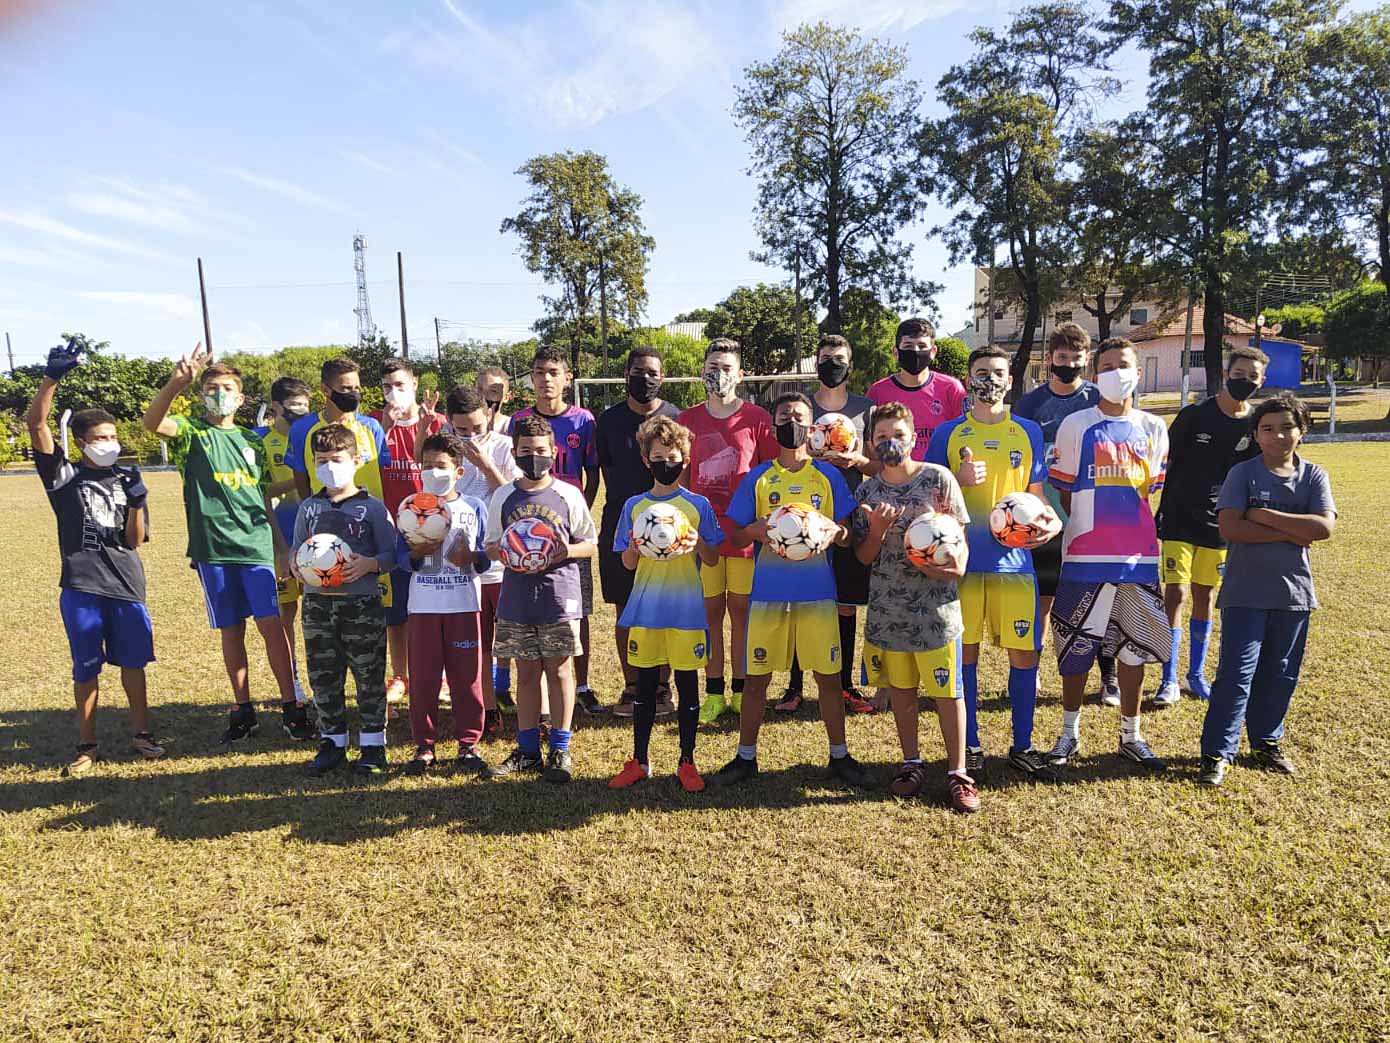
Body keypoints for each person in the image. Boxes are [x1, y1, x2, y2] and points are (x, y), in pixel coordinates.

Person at [143, 345, 309, 744]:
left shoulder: (251, 441)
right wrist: (175, 383)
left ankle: (292, 707)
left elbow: (260, 496)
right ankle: (243, 709)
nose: (220, 393)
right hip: (213, 551)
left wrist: (281, 546)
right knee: (231, 631)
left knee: (273, 627)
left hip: (255, 548)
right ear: (202, 394)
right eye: (212, 387)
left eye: (227, 387)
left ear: (241, 396)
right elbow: (153, 423)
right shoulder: (191, 433)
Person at [711, 391, 871, 789]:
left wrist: (837, 532)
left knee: (828, 679)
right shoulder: (761, 476)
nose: (792, 422)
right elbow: (734, 530)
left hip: (817, 594)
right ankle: (745, 757)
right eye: (784, 416)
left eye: (799, 416)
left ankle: (840, 756)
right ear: (773, 424)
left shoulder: (828, 476)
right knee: (757, 679)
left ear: (812, 425)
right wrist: (755, 531)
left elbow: (849, 535)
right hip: (767, 594)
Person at [925, 347, 1059, 782]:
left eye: (998, 373)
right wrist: (958, 484)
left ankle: (1022, 745)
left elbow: (1035, 496)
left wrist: (1050, 524)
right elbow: (927, 500)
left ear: (1011, 379)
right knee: (966, 656)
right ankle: (972, 745)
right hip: (961, 566)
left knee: (1024, 654)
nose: (990, 380)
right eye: (981, 373)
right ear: (968, 379)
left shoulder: (1028, 432)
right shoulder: (949, 433)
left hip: (1015, 566)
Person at [28, 342, 162, 775]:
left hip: (126, 583)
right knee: (86, 667)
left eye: (112, 437)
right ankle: (87, 742)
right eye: (100, 439)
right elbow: (37, 425)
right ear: (82, 444)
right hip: (82, 587)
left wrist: (139, 502)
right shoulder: (65, 477)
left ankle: (142, 733)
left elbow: (135, 540)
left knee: (133, 664)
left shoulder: (127, 478)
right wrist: (51, 379)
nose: (108, 444)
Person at [1044, 337, 1171, 771]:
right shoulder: (1076, 424)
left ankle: (1131, 735)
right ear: (1096, 375)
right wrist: (1076, 526)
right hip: (1083, 559)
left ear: (1138, 371)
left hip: (1138, 559)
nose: (1117, 372)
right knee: (1075, 649)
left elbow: (1150, 489)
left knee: (1134, 651)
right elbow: (1059, 488)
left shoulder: (1154, 428)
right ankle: (1068, 734)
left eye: (1124, 364)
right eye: (1108, 366)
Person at [1197, 394, 1335, 786]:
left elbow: (1323, 529)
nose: (1278, 436)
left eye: (1288, 427)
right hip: (1244, 592)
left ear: (1302, 432)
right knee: (1236, 675)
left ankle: (1265, 742)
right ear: (1256, 435)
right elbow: (1231, 528)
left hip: (1293, 594)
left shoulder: (1313, 476)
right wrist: (1294, 529)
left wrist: (1264, 515)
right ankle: (1215, 753)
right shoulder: (1243, 474)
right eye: (1268, 428)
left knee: (1280, 673)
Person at [852, 401, 978, 812]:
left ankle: (958, 773)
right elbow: (864, 557)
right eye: (882, 437)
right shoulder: (867, 490)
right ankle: (911, 763)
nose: (890, 444)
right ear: (871, 443)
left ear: (913, 436)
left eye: (898, 436)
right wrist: (878, 530)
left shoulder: (938, 479)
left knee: (947, 692)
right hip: (889, 611)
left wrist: (952, 568)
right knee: (902, 692)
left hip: (937, 612)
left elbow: (959, 544)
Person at [607, 416, 724, 792]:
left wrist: (696, 543)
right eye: (658, 457)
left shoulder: (697, 505)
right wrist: (637, 546)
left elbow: (712, 558)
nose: (666, 463)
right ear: (646, 461)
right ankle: (639, 759)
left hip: (686, 608)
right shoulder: (635, 507)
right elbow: (625, 562)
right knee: (644, 687)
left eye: (673, 456)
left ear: (686, 459)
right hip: (647, 608)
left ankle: (686, 761)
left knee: (688, 684)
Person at [485, 415, 598, 784]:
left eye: (540, 451)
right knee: (527, 672)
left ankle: (560, 749)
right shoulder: (503, 495)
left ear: (554, 452)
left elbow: (590, 544)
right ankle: (528, 749)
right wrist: (510, 553)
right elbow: (490, 544)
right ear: (514, 453)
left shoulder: (568, 494)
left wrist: (566, 550)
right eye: (525, 451)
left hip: (557, 598)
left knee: (560, 669)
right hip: (517, 599)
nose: (533, 456)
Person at [1153, 346, 1267, 707]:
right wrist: (1162, 511)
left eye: (1253, 377)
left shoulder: (1255, 423)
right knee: (1176, 594)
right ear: (1226, 373)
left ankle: (1195, 675)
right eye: (1239, 374)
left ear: (1262, 381)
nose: (1244, 381)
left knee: (1206, 594)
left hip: (1220, 524)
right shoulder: (1193, 416)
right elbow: (1165, 463)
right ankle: (1168, 678)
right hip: (1179, 519)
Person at [678, 339, 778, 724]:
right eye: (712, 366)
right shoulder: (688, 420)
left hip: (743, 536)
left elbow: (769, 473)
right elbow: (682, 476)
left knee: (742, 612)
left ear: (741, 374)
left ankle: (741, 689)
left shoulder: (756, 418)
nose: (717, 374)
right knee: (709, 613)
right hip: (704, 535)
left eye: (725, 367)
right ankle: (714, 691)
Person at [779, 334, 879, 716]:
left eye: (839, 358)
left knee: (846, 603)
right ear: (815, 363)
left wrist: (854, 461)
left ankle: (844, 685)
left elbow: (876, 464)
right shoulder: (801, 405)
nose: (831, 364)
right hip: (804, 513)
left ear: (850, 364)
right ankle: (793, 685)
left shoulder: (866, 408)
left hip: (848, 512)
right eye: (825, 358)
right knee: (800, 600)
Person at [290, 424, 397, 776]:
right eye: (322, 460)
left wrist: (370, 564)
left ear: (355, 460)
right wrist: (295, 563)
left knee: (368, 675)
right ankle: (333, 742)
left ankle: (372, 745)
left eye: (337, 459)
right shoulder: (308, 507)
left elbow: (391, 555)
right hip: (318, 605)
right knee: (324, 675)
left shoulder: (373, 508)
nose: (329, 466)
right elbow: (297, 550)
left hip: (361, 605)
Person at [1012, 323, 1111, 702]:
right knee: (1041, 600)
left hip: (1091, 517)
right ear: (1050, 359)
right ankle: (1031, 671)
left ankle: (1108, 677)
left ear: (1086, 361)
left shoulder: (1098, 400)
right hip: (1044, 517)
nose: (1068, 364)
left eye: (1076, 358)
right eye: (1062, 357)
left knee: (1099, 599)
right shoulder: (1031, 404)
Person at [418, 385, 521, 737]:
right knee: (479, 648)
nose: (469, 435)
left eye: (476, 427)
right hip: (462, 572)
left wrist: (486, 463)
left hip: (502, 564)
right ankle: (488, 710)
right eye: (461, 430)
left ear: (488, 416)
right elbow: (426, 476)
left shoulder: (504, 447)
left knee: (517, 642)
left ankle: (533, 713)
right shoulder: (444, 448)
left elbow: (514, 497)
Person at [509, 345, 603, 713]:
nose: (546, 379)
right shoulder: (517, 420)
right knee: (529, 608)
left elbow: (592, 473)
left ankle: (581, 685)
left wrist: (576, 512)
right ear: (531, 378)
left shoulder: (583, 421)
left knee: (577, 610)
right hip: (527, 530)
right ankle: (535, 692)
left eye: (553, 372)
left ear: (567, 378)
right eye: (539, 372)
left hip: (568, 535)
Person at [398, 433, 489, 775]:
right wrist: (416, 554)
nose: (433, 472)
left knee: (467, 678)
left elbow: (485, 558)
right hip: (423, 606)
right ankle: (424, 745)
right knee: (423, 678)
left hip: (463, 605)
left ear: (459, 472)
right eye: (427, 467)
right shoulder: (409, 506)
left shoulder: (474, 507)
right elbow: (399, 558)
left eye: (441, 466)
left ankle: (469, 744)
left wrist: (473, 558)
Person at [596, 347, 680, 718]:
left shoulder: (676, 417)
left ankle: (661, 688)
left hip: (669, 526)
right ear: (626, 373)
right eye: (638, 371)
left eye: (652, 372)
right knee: (626, 609)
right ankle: (632, 687)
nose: (645, 378)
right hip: (621, 522)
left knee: (664, 610)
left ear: (662, 376)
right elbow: (607, 473)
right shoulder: (609, 420)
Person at [370, 358, 446, 712]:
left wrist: (425, 429)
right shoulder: (373, 423)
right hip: (388, 531)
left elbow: (440, 468)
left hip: (430, 529)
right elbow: (364, 466)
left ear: (414, 384)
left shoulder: (436, 422)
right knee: (395, 611)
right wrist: (383, 428)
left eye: (400, 384)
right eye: (387, 386)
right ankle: (399, 675)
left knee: (431, 605)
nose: (393, 392)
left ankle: (438, 675)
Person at [252, 376, 314, 706]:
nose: (300, 414)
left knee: (318, 613)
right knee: (284, 616)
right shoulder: (258, 441)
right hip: (278, 544)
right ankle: (293, 682)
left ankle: (321, 680)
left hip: (316, 544)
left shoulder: (312, 436)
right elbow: (260, 494)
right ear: (275, 408)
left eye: (305, 407)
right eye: (293, 409)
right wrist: (280, 549)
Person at [866, 317, 967, 461]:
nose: (915, 351)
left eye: (921, 345)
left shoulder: (951, 389)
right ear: (896, 352)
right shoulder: (878, 391)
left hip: (941, 479)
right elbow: (869, 443)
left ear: (933, 351)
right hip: (894, 479)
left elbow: (966, 433)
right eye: (908, 346)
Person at [476, 366, 512, 434]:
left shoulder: (512, 427)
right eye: (480, 389)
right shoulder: (458, 426)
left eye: (493, 391)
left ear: (506, 397)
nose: (484, 396)